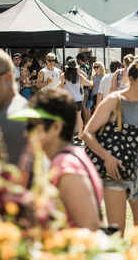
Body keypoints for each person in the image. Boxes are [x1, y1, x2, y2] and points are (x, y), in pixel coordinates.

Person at [9, 88, 104, 229]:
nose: (26, 133)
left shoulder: (67, 166)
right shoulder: (69, 156)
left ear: (56, 127)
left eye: (32, 126)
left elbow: (90, 228)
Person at [82, 60, 138, 236]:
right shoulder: (113, 101)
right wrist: (107, 157)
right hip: (114, 172)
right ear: (131, 79)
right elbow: (87, 133)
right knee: (117, 233)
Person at [60, 59, 93, 141]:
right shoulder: (79, 76)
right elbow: (89, 83)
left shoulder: (63, 75)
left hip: (68, 99)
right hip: (78, 99)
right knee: (78, 117)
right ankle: (80, 135)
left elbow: (60, 86)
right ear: (76, 68)